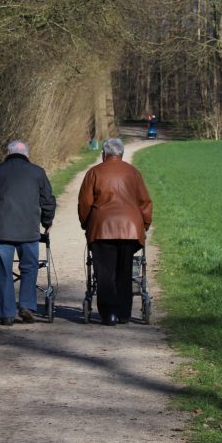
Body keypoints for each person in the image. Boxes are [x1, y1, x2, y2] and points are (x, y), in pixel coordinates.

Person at [0, 140, 56, 325]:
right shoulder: (37, 172)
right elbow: (48, 200)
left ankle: (7, 314)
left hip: (2, 231)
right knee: (29, 268)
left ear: (7, 153)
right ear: (27, 155)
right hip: (29, 230)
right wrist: (47, 222)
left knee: (3, 271)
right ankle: (26, 305)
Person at [78, 138, 152, 325]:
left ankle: (109, 313)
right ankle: (124, 313)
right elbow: (144, 202)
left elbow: (85, 203)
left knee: (105, 274)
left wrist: (86, 224)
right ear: (121, 154)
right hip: (131, 231)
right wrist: (145, 224)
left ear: (103, 154)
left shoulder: (94, 173)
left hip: (102, 229)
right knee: (124, 272)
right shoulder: (134, 173)